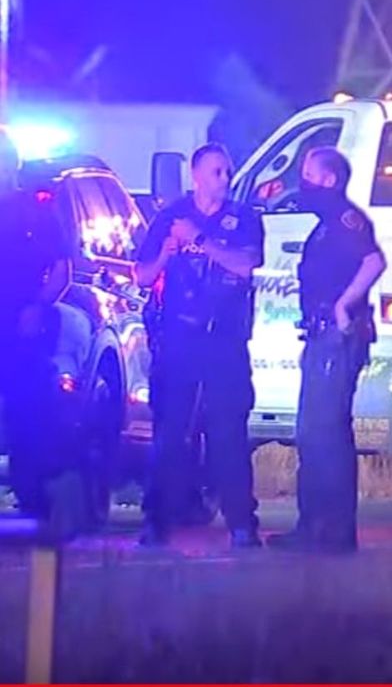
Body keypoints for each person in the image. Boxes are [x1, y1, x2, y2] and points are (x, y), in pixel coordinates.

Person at [134, 143, 264, 548]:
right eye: (215, 172)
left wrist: (201, 239)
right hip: (178, 338)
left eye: (226, 172)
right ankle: (156, 521)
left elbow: (246, 264)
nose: (223, 179)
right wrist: (166, 254)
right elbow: (141, 275)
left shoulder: (243, 218)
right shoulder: (170, 216)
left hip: (224, 340)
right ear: (195, 175)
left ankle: (242, 524)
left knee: (228, 434)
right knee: (170, 433)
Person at [267, 146, 385, 554]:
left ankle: (331, 532)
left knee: (325, 434)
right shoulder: (325, 223)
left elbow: (373, 262)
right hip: (321, 338)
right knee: (313, 434)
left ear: (330, 180)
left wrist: (343, 306)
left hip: (337, 339)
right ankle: (313, 526)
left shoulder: (344, 219)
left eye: (311, 174)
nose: (305, 181)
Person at [0, 130, 73, 530]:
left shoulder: (35, 212)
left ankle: (33, 503)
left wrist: (38, 306)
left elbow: (62, 269)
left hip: (20, 328)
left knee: (26, 416)